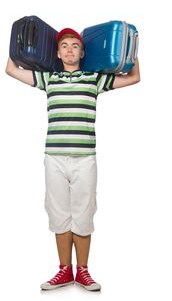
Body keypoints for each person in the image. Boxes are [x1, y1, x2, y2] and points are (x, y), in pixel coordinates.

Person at [5, 27, 141, 291]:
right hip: (54, 157)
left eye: (75, 45)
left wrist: (130, 49)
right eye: (64, 45)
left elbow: (134, 77)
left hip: (84, 158)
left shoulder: (94, 79)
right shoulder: (49, 79)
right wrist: (16, 43)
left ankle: (83, 272)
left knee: (83, 214)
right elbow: (11, 70)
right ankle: (64, 271)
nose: (69, 49)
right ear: (57, 52)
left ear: (82, 52)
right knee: (59, 215)